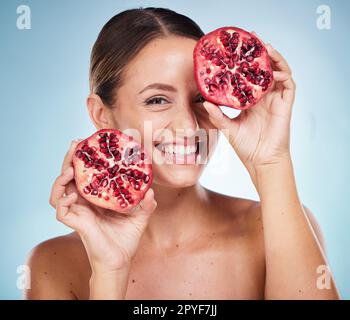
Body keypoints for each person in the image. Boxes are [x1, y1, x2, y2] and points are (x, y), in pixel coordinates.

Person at [25, 7, 339, 300]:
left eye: (201, 98)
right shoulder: (55, 264)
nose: (189, 127)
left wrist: (271, 162)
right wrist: (110, 273)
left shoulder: (273, 229)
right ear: (101, 114)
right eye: (157, 100)